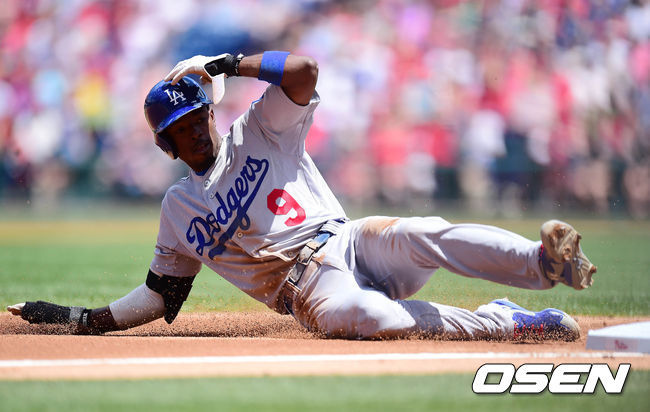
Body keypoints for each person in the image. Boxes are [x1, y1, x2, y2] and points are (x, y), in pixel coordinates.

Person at [7, 51, 597, 341]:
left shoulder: (259, 128)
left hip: (349, 240)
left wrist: (229, 64)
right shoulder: (178, 210)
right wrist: (80, 319)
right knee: (368, 317)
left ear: (210, 112)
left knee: (423, 230)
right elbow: (162, 296)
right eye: (178, 131)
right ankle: (506, 322)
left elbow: (305, 71)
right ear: (166, 146)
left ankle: (542, 262)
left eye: (196, 118)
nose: (193, 132)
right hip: (310, 292)